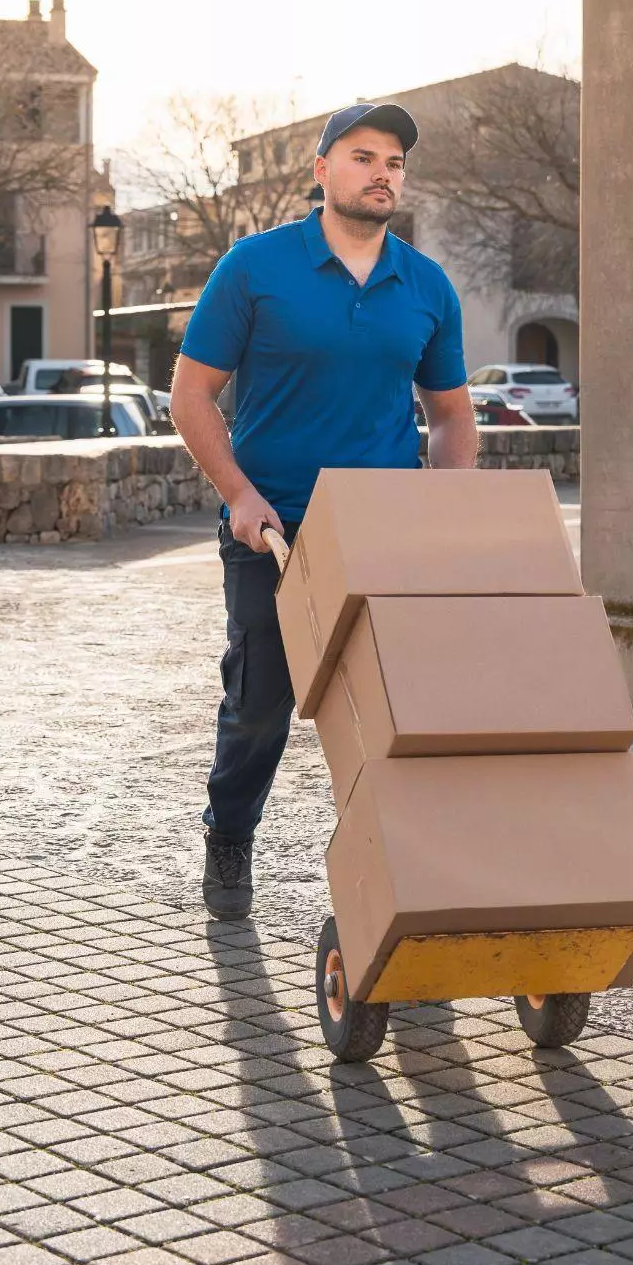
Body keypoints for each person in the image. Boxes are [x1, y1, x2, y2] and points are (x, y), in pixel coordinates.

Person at [170, 101, 478, 919]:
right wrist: (238, 493)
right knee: (261, 700)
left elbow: (449, 413)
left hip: (384, 531)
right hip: (273, 527)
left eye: (395, 162)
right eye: (362, 156)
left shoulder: (424, 283)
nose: (382, 173)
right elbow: (191, 394)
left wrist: (449, 513)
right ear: (321, 170)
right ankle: (229, 834)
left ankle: (402, 871)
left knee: (392, 709)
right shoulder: (253, 267)